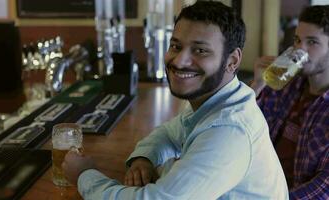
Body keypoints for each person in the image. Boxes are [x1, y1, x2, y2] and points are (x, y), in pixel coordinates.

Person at [62, 1, 288, 199]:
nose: (179, 61)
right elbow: (170, 132)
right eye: (176, 46)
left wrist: (83, 175)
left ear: (232, 60)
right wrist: (144, 158)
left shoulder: (229, 129)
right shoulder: (217, 99)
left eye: (200, 50)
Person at [251, 5, 329, 200]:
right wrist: (257, 85)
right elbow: (240, 127)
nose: (300, 49)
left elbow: (324, 189)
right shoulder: (285, 84)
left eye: (312, 42)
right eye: (297, 40)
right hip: (254, 187)